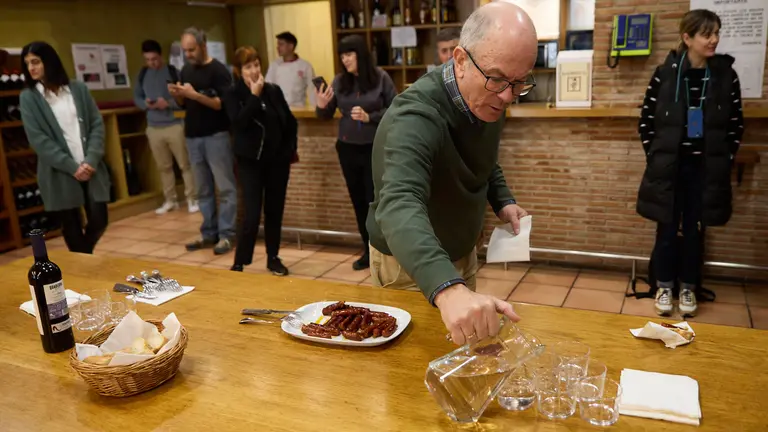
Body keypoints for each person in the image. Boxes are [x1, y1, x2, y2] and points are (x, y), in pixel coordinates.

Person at [366, 2, 537, 345]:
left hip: (461, 253)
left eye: (520, 83)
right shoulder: (415, 115)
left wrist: (502, 199)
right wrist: (447, 287)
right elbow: (399, 203)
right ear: (459, 60)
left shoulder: (490, 95)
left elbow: (483, 156)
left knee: (455, 357)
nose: (507, 96)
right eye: (498, 79)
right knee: (411, 371)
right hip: (409, 264)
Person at [637, 9, 743, 317]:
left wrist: (723, 159)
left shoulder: (725, 76)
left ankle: (688, 288)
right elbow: (646, 122)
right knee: (667, 230)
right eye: (706, 34)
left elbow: (736, 125)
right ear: (687, 37)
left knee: (696, 231)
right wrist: (658, 156)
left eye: (716, 33)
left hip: (705, 170)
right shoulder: (665, 73)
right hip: (670, 169)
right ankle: (664, 287)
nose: (714, 39)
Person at [19, 41, 110, 254]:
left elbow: (96, 123)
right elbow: (38, 139)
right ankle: (84, 267)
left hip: (90, 166)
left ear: (49, 62)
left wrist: (91, 159)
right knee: (71, 226)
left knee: (100, 219)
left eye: (36, 62)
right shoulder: (28, 98)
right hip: (59, 171)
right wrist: (72, 167)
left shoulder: (78, 89)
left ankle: (83, 257)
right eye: (27, 64)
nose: (31, 68)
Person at [315, 34, 397, 271]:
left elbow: (396, 110)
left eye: (349, 54)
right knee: (358, 201)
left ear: (360, 54)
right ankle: (367, 250)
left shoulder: (381, 78)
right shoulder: (340, 81)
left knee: (376, 201)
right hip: (348, 149)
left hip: (374, 148)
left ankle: (385, 250)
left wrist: (370, 117)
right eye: (342, 56)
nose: (345, 60)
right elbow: (326, 114)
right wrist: (321, 106)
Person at [224, 46, 298, 275]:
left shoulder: (274, 91)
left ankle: (273, 257)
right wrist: (254, 96)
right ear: (239, 71)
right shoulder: (233, 94)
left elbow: (290, 123)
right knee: (252, 213)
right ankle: (240, 260)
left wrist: (287, 152)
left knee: (274, 212)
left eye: (256, 65)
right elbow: (238, 123)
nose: (254, 71)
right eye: (248, 67)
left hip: (277, 162)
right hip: (250, 162)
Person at [168, 27, 237, 255]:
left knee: (225, 188)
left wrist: (195, 95)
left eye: (191, 49)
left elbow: (220, 104)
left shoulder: (219, 71)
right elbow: (184, 104)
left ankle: (227, 235)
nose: (187, 54)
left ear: (203, 45)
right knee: (203, 189)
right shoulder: (186, 70)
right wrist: (178, 95)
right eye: (185, 50)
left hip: (216, 135)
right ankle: (209, 232)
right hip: (192, 135)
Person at [133, 39, 198, 215]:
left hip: (174, 124)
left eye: (154, 59)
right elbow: (137, 98)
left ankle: (192, 198)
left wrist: (167, 103)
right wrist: (146, 104)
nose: (151, 63)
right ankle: (170, 200)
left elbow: (184, 100)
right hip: (153, 126)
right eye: (147, 60)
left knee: (185, 164)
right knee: (163, 167)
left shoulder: (172, 72)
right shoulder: (142, 74)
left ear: (160, 56)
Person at [264, 32, 316, 108]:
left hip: (298, 109)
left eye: (281, 44)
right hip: (279, 109)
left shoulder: (305, 66)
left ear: (291, 46)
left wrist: (314, 110)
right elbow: (267, 87)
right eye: (277, 44)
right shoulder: (274, 65)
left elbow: (312, 90)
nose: (278, 47)